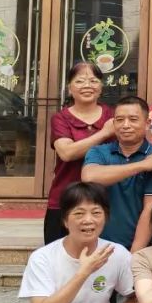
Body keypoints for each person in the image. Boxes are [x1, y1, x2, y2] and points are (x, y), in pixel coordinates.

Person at [81, 96, 152, 252]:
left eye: (133, 119)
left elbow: (150, 207)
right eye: (119, 120)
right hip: (99, 245)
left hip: (142, 249)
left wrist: (133, 255)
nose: (125, 125)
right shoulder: (99, 151)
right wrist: (142, 165)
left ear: (147, 124)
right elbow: (89, 176)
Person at [46, 63, 114, 244]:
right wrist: (104, 133)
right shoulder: (60, 118)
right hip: (66, 199)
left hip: (105, 200)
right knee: (60, 255)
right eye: (80, 81)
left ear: (101, 86)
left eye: (93, 81)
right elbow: (67, 153)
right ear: (69, 88)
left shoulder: (113, 115)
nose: (87, 85)